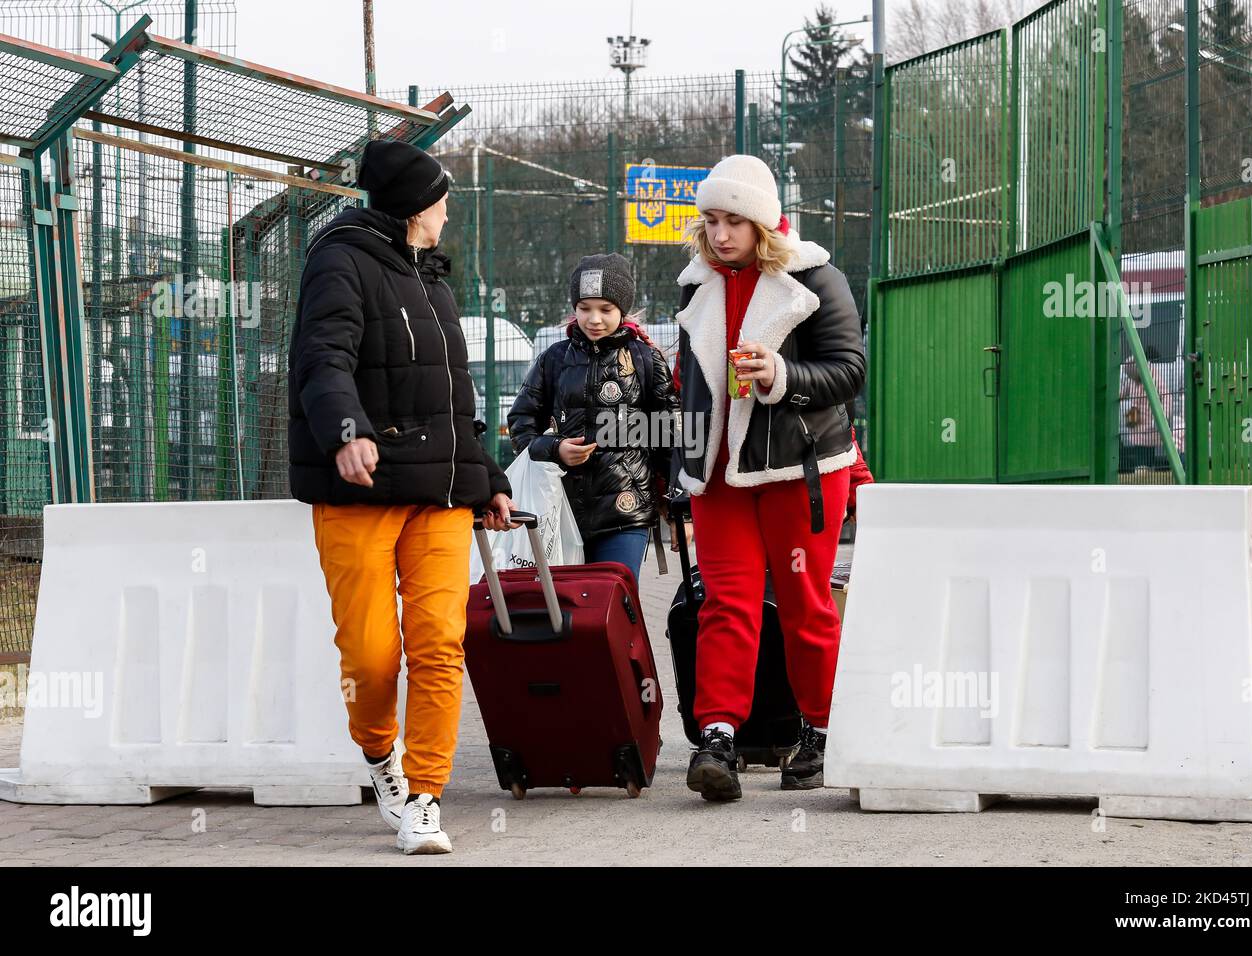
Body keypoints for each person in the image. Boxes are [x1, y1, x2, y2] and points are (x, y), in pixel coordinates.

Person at [287, 139, 516, 855]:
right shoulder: (340, 261)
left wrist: (489, 476)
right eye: (443, 198)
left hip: (442, 495)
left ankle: (424, 795)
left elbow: (455, 402)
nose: (449, 211)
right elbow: (321, 358)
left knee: (439, 645)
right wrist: (346, 433)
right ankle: (380, 753)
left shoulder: (436, 285)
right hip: (363, 490)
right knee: (371, 656)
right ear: (419, 204)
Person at [671, 154, 866, 801]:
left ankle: (822, 731)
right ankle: (719, 738)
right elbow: (689, 385)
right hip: (719, 477)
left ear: (762, 222)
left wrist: (782, 378)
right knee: (723, 604)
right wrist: (681, 464)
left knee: (805, 607)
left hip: (797, 469)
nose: (720, 234)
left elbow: (849, 371)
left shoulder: (815, 275)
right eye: (711, 221)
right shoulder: (696, 283)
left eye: (734, 221)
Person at [508, 254, 678, 581]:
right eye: (585, 308)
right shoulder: (553, 360)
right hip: (563, 511)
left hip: (626, 512)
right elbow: (521, 421)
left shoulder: (645, 359)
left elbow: (671, 434)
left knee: (615, 604)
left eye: (606, 309)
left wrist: (678, 510)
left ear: (623, 309)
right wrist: (553, 448)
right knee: (571, 610)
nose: (594, 319)